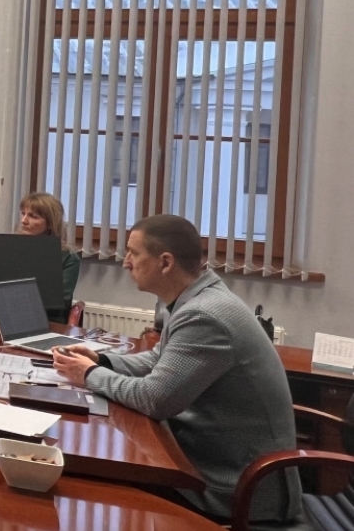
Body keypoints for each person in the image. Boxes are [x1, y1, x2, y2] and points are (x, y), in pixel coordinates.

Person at [51, 214, 299, 524]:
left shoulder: (204, 316)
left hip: (235, 489)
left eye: (133, 253)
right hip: (211, 462)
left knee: (94, 483)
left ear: (165, 262)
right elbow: (158, 360)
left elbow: (154, 399)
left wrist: (88, 374)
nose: (126, 263)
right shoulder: (196, 297)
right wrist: (102, 361)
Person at [17, 191, 80, 321]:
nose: (24, 221)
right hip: (11, 314)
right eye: (23, 214)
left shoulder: (68, 258)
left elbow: (58, 300)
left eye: (33, 216)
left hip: (48, 320)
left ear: (50, 223)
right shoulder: (11, 249)